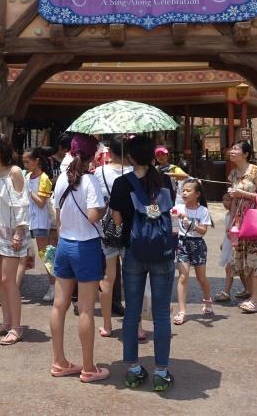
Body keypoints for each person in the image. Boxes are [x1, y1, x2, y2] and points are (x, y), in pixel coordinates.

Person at [108, 135, 178, 392]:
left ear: (130, 157)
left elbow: (116, 221)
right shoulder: (165, 180)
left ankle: (134, 370)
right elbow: (166, 212)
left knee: (132, 313)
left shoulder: (121, 183)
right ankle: (161, 372)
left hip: (134, 252)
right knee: (161, 314)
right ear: (153, 155)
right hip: (162, 252)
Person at [49, 132, 109, 383]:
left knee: (59, 305)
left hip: (64, 244)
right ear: (91, 155)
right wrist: (105, 205)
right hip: (86, 247)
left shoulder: (62, 178)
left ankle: (59, 361)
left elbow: (56, 214)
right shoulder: (91, 181)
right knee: (85, 309)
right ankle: (88, 367)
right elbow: (94, 216)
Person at [0, 128, 29, 345]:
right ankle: (7, 323)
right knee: (0, 280)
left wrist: (19, 232)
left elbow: (22, 205)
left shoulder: (15, 172)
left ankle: (17, 327)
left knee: (9, 281)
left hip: (12, 234)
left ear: (2, 150)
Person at [227, 140, 257, 314]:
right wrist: (231, 222)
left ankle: (255, 300)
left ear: (246, 154)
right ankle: (250, 294)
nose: (232, 151)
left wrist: (242, 193)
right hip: (240, 221)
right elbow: (233, 200)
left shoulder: (256, 171)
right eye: (231, 148)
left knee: (255, 258)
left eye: (236, 149)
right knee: (243, 257)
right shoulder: (233, 174)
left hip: (254, 219)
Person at [94, 138, 130, 338]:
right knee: (133, 278)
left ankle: (107, 325)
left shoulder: (99, 172)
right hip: (130, 227)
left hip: (107, 227)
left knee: (108, 277)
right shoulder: (135, 172)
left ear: (111, 153)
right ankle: (137, 326)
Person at [18, 147, 57, 303]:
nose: (26, 165)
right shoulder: (27, 176)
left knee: (46, 254)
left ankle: (54, 286)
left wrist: (27, 190)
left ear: (36, 161)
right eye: (24, 162)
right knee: (44, 254)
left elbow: (41, 203)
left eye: (28, 162)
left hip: (41, 221)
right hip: (29, 220)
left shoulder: (44, 179)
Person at [172, 178, 213, 324]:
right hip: (182, 243)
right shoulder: (178, 207)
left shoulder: (203, 210)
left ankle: (208, 301)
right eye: (183, 190)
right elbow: (172, 226)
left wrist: (190, 222)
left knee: (201, 278)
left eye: (188, 190)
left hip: (198, 244)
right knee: (183, 276)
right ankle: (182, 311)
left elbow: (203, 231)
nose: (184, 193)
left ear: (197, 194)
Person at [215, 190, 241, 303]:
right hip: (228, 244)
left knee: (229, 268)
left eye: (228, 200)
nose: (224, 203)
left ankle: (226, 292)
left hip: (234, 245)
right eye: (223, 200)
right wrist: (223, 243)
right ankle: (247, 290)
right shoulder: (228, 215)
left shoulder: (237, 216)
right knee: (237, 270)